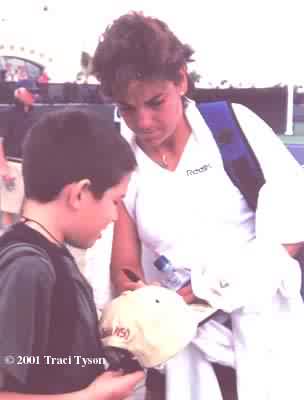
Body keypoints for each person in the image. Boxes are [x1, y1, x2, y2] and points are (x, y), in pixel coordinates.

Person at [92, 11, 304, 400]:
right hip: (180, 357)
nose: (144, 121)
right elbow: (125, 272)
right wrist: (143, 300)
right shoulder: (119, 160)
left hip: (264, 342)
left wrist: (203, 291)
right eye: (127, 108)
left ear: (181, 80)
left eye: (155, 102)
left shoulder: (234, 127)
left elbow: (292, 232)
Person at [0, 109, 144, 398]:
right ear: (80, 194)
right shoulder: (29, 268)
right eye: (115, 201)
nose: (115, 217)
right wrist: (91, 396)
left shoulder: (53, 256)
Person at [0, 87, 37, 228]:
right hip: (12, 164)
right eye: (29, 93)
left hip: (29, 166)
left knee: (26, 209)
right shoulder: (8, 115)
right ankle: (8, 244)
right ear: (19, 94)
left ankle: (20, 241)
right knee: (9, 208)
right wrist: (3, 167)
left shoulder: (33, 116)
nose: (32, 96)